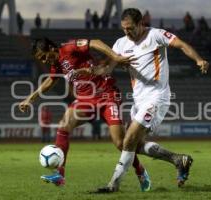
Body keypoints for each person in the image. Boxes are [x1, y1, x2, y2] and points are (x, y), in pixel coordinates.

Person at [96, 8, 209, 193]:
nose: (127, 32)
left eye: (130, 28)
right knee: (128, 144)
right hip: (138, 101)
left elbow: (181, 44)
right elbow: (108, 68)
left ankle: (113, 185)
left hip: (157, 97)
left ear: (141, 24)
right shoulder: (120, 44)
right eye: (124, 28)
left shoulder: (155, 35)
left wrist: (198, 60)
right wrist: (88, 73)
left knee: (130, 139)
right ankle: (177, 160)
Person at [19, 37, 152, 190]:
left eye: (43, 56)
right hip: (85, 100)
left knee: (120, 143)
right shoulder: (56, 64)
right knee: (63, 126)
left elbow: (95, 42)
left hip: (106, 95)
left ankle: (140, 171)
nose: (44, 60)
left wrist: (115, 57)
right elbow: (50, 80)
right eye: (40, 59)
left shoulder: (69, 48)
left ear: (51, 48)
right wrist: (30, 98)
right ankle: (59, 175)